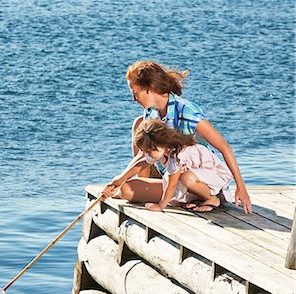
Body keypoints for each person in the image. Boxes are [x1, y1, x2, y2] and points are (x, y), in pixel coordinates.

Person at [103, 60, 252, 214]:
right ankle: (164, 191)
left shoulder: (187, 111)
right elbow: (144, 156)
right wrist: (118, 181)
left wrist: (241, 188)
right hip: (172, 174)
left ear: (148, 89)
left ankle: (200, 196)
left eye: (135, 93)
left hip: (199, 179)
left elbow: (224, 148)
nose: (134, 99)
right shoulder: (150, 113)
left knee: (129, 189)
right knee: (127, 186)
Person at [108, 119, 236, 212]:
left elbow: (172, 183)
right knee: (186, 179)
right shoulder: (161, 151)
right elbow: (141, 164)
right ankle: (198, 199)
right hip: (195, 181)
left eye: (148, 151)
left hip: (214, 177)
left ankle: (212, 199)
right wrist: (119, 181)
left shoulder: (178, 154)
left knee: (186, 178)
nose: (146, 154)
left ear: (161, 144)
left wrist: (160, 206)